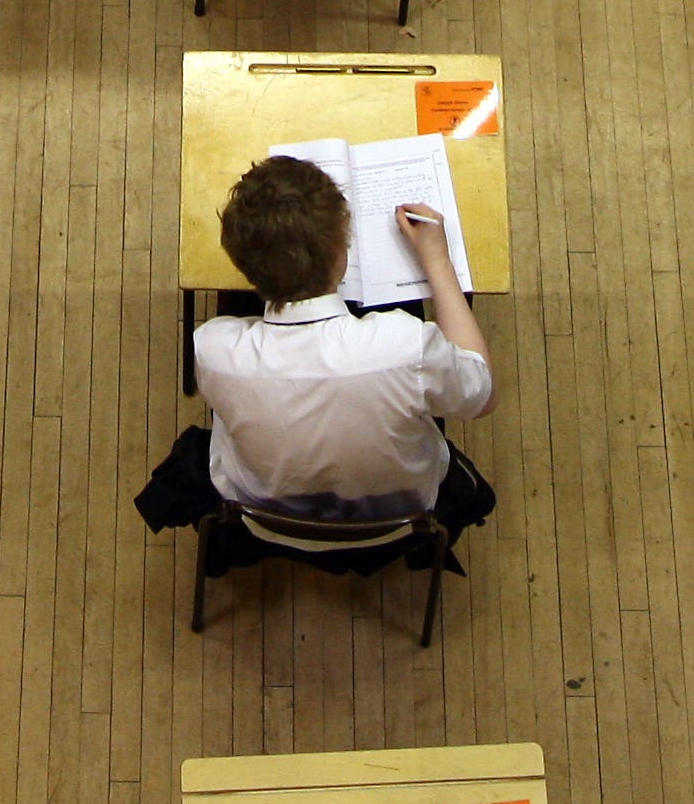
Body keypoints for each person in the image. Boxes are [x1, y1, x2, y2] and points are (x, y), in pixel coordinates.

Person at [134, 153, 496, 535]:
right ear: (341, 255)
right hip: (399, 520)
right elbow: (481, 393)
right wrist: (437, 260)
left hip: (260, 516)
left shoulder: (213, 349)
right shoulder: (405, 346)